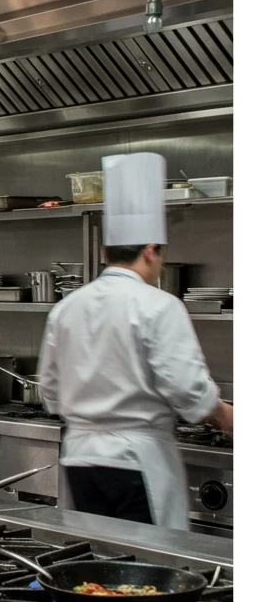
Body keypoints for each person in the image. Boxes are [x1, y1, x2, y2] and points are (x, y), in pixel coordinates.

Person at [38, 152, 232, 531]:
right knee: (146, 561)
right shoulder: (159, 305)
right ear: (150, 250)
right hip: (136, 461)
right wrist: (225, 415)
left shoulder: (66, 308)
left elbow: (50, 394)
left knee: (93, 558)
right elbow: (187, 389)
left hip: (80, 459)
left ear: (104, 253)